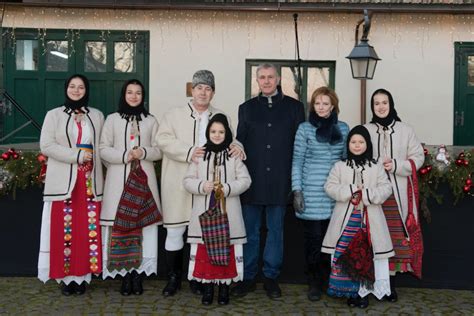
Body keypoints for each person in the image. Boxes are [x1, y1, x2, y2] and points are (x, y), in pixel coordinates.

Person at [157, 70, 244, 297]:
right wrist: (188, 152)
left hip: (209, 189)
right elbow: (162, 139)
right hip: (178, 181)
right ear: (191, 90)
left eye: (208, 88)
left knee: (203, 234)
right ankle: (174, 277)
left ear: (213, 92)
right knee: (175, 231)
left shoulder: (221, 114)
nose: (203, 92)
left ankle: (198, 276)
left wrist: (239, 147)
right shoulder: (174, 114)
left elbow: (230, 139)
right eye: (199, 88)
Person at [232, 63, 305, 299]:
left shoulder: (295, 108)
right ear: (257, 80)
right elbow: (239, 141)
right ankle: (248, 277)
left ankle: (271, 278)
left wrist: (296, 183)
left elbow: (299, 146)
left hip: (280, 180)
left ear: (278, 78)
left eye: (270, 77)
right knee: (250, 232)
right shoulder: (246, 108)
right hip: (252, 181)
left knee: (276, 231)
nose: (266, 81)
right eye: (261, 77)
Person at [38, 74, 104, 295]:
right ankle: (66, 279)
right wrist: (76, 155)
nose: (76, 91)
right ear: (66, 89)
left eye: (81, 87)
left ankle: (83, 276)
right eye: (73, 87)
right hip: (65, 180)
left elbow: (102, 146)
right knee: (65, 229)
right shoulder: (54, 115)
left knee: (87, 229)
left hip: (89, 181)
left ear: (87, 90)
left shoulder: (96, 115)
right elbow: (46, 145)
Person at [99, 79, 162, 296]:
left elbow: (159, 150)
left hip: (144, 182)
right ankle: (124, 274)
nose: (134, 96)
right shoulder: (112, 120)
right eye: (130, 92)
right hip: (119, 182)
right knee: (122, 226)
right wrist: (124, 155)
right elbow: (103, 149)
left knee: (143, 227)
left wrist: (143, 152)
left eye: (138, 93)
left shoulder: (151, 121)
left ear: (143, 96)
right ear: (123, 95)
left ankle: (138, 275)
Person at [322, 125, 394, 308]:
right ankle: (350, 292)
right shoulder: (340, 166)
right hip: (346, 221)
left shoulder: (376, 167)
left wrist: (367, 194)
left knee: (367, 255)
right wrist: (351, 190)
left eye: (361, 142)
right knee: (346, 255)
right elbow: (329, 187)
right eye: (353, 142)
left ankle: (364, 292)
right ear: (348, 144)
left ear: (367, 144)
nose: (357, 145)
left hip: (370, 220)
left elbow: (386, 188)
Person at [183, 114, 251, 305]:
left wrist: (227, 189)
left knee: (226, 251)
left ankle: (223, 289)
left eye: (221, 132)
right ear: (208, 133)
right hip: (204, 214)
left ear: (227, 133)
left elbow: (246, 181)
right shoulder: (199, 155)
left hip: (228, 214)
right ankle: (207, 289)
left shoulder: (233, 156)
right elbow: (187, 181)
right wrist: (201, 186)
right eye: (213, 131)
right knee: (206, 252)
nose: (217, 135)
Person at [364, 89, 425, 302]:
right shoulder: (365, 130)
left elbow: (418, 157)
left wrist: (397, 165)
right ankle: (369, 283)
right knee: (372, 239)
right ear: (372, 107)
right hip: (374, 195)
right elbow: (357, 156)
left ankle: (389, 285)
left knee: (394, 240)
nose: (381, 107)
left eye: (384, 102)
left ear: (391, 104)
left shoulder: (405, 130)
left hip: (398, 196)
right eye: (376, 103)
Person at [291, 87, 349, 301]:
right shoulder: (304, 129)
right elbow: (297, 161)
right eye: (317, 103)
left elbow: (346, 160)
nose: (321, 107)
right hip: (311, 193)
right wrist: (297, 190)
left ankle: (330, 280)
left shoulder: (343, 128)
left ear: (333, 105)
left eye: (326, 103)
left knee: (332, 240)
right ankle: (314, 282)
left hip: (335, 194)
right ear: (312, 106)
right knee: (314, 241)